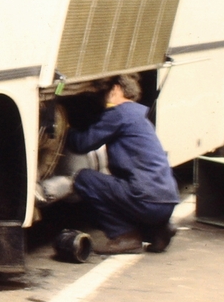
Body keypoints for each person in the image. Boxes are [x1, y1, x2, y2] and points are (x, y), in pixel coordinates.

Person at [63, 74, 180, 256]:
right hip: (167, 201)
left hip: (146, 200)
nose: (102, 101)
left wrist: (64, 129)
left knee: (85, 179)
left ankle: (124, 236)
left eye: (104, 94)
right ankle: (158, 230)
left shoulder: (119, 113)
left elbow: (82, 143)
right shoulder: (141, 113)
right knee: (120, 186)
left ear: (116, 89)